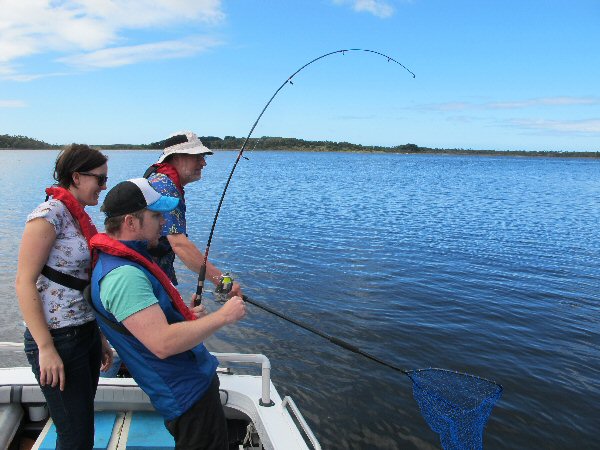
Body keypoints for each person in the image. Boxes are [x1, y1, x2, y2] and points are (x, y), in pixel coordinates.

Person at [89, 178, 246, 449]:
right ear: (130, 222)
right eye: (156, 215)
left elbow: (148, 323)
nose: (164, 221)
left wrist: (184, 314)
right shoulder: (123, 276)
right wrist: (223, 317)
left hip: (190, 388)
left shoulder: (126, 260)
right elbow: (162, 343)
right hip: (187, 396)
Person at [15, 144, 113, 450]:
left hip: (84, 334)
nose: (104, 187)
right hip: (58, 340)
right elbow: (24, 282)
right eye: (100, 179)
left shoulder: (75, 215)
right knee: (76, 437)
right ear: (76, 176)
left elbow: (78, 284)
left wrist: (100, 336)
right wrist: (45, 347)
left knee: (81, 429)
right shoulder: (48, 215)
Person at [144, 131, 243, 296]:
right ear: (176, 158)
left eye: (203, 157)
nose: (203, 163)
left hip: (156, 275)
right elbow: (179, 244)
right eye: (197, 157)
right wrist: (223, 282)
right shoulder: (164, 187)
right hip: (148, 280)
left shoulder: (161, 181)